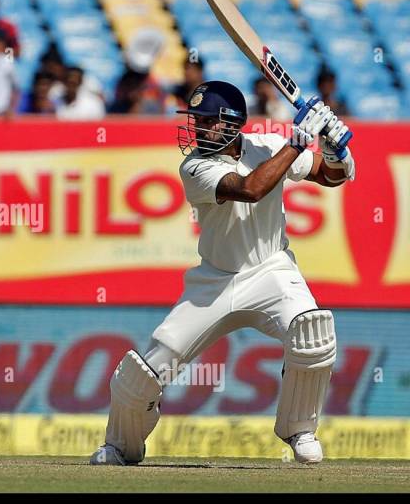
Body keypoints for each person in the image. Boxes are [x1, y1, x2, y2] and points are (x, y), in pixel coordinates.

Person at [90, 80, 356, 466]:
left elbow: (329, 176)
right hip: (214, 281)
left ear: (231, 123)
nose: (197, 129)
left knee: (313, 332)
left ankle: (300, 430)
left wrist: (333, 151)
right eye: (195, 121)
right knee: (143, 372)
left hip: (272, 270)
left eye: (205, 121)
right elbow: (250, 188)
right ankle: (121, 445)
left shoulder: (266, 144)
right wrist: (298, 142)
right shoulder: (195, 166)